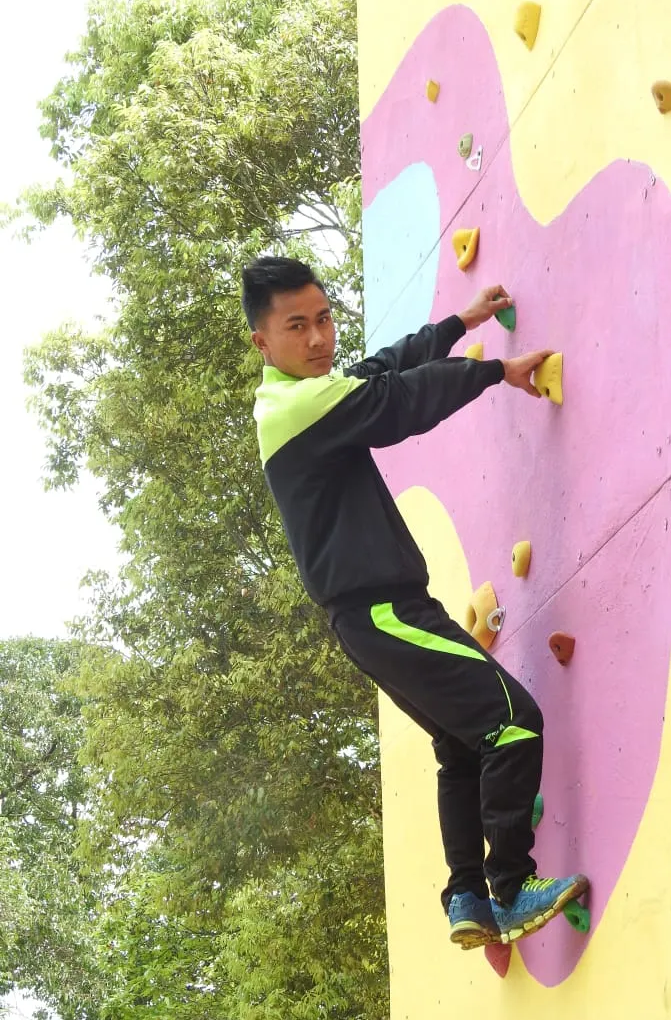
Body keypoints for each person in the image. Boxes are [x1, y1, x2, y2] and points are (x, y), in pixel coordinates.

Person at [242, 255, 589, 949]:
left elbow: (379, 371)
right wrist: (496, 371)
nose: (319, 339)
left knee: (461, 747)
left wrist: (459, 325)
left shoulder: (303, 396)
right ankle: (512, 888)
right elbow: (397, 404)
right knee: (515, 718)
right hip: (384, 611)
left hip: (373, 617)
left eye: (324, 319)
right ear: (263, 342)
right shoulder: (296, 406)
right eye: (297, 327)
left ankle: (467, 895)